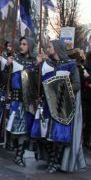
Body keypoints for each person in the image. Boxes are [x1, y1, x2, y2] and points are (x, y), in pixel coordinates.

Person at [35, 40, 82, 173]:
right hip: (46, 103)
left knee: (58, 136)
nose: (47, 49)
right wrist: (37, 67)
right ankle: (50, 159)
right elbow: (37, 83)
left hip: (62, 105)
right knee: (42, 135)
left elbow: (77, 84)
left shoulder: (71, 64)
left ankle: (55, 162)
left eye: (49, 47)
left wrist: (62, 89)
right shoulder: (46, 64)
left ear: (56, 48)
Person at [2, 37, 38, 166]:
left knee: (25, 130)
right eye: (21, 44)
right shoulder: (14, 59)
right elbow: (4, 79)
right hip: (16, 100)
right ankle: (15, 148)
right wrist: (7, 67)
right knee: (14, 130)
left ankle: (19, 155)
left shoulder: (35, 62)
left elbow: (37, 83)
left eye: (25, 44)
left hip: (28, 101)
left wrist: (38, 67)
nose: (21, 46)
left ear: (30, 46)